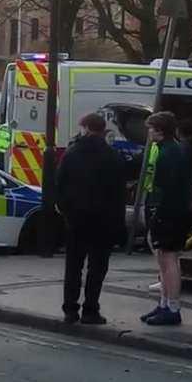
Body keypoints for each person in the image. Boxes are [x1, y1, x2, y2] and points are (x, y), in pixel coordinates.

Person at [56, 113, 126, 325]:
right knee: (97, 268)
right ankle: (90, 309)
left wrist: (66, 211)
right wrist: (118, 223)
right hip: (104, 220)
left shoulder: (72, 153)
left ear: (86, 127)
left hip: (77, 219)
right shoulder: (113, 156)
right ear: (102, 129)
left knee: (73, 266)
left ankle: (70, 309)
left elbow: (59, 185)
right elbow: (119, 194)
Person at [141, 112, 192, 327]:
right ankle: (164, 304)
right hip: (170, 211)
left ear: (160, 130)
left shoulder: (170, 153)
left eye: (151, 128)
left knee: (169, 258)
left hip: (169, 213)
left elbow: (168, 187)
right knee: (163, 259)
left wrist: (159, 212)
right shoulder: (170, 149)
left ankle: (172, 307)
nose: (149, 132)